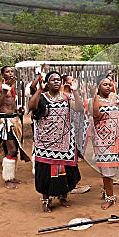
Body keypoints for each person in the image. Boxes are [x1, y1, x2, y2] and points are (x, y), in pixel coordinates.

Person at [28, 71, 83, 212]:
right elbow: (32, 107)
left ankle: (63, 196)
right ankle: (46, 200)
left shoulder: (67, 97)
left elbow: (79, 108)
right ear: (47, 83)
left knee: (66, 172)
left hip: (65, 143)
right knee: (45, 172)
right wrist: (39, 89)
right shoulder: (42, 97)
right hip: (45, 144)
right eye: (53, 80)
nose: (57, 82)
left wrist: (75, 92)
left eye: (58, 79)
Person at [92, 75, 119, 209]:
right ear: (99, 87)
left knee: (109, 167)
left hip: (115, 138)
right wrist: (94, 97)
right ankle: (110, 197)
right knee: (106, 167)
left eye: (110, 84)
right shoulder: (96, 99)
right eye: (105, 84)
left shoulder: (115, 98)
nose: (108, 87)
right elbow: (95, 115)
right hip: (102, 139)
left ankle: (106, 191)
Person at [0, 65, 30, 189]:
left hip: (15, 120)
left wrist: (19, 109)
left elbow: (10, 105)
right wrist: (5, 89)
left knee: (14, 150)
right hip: (6, 123)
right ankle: (7, 179)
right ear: (3, 75)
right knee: (11, 150)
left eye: (12, 71)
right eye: (7, 72)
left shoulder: (13, 88)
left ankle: (11, 176)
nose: (11, 73)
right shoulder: (0, 87)